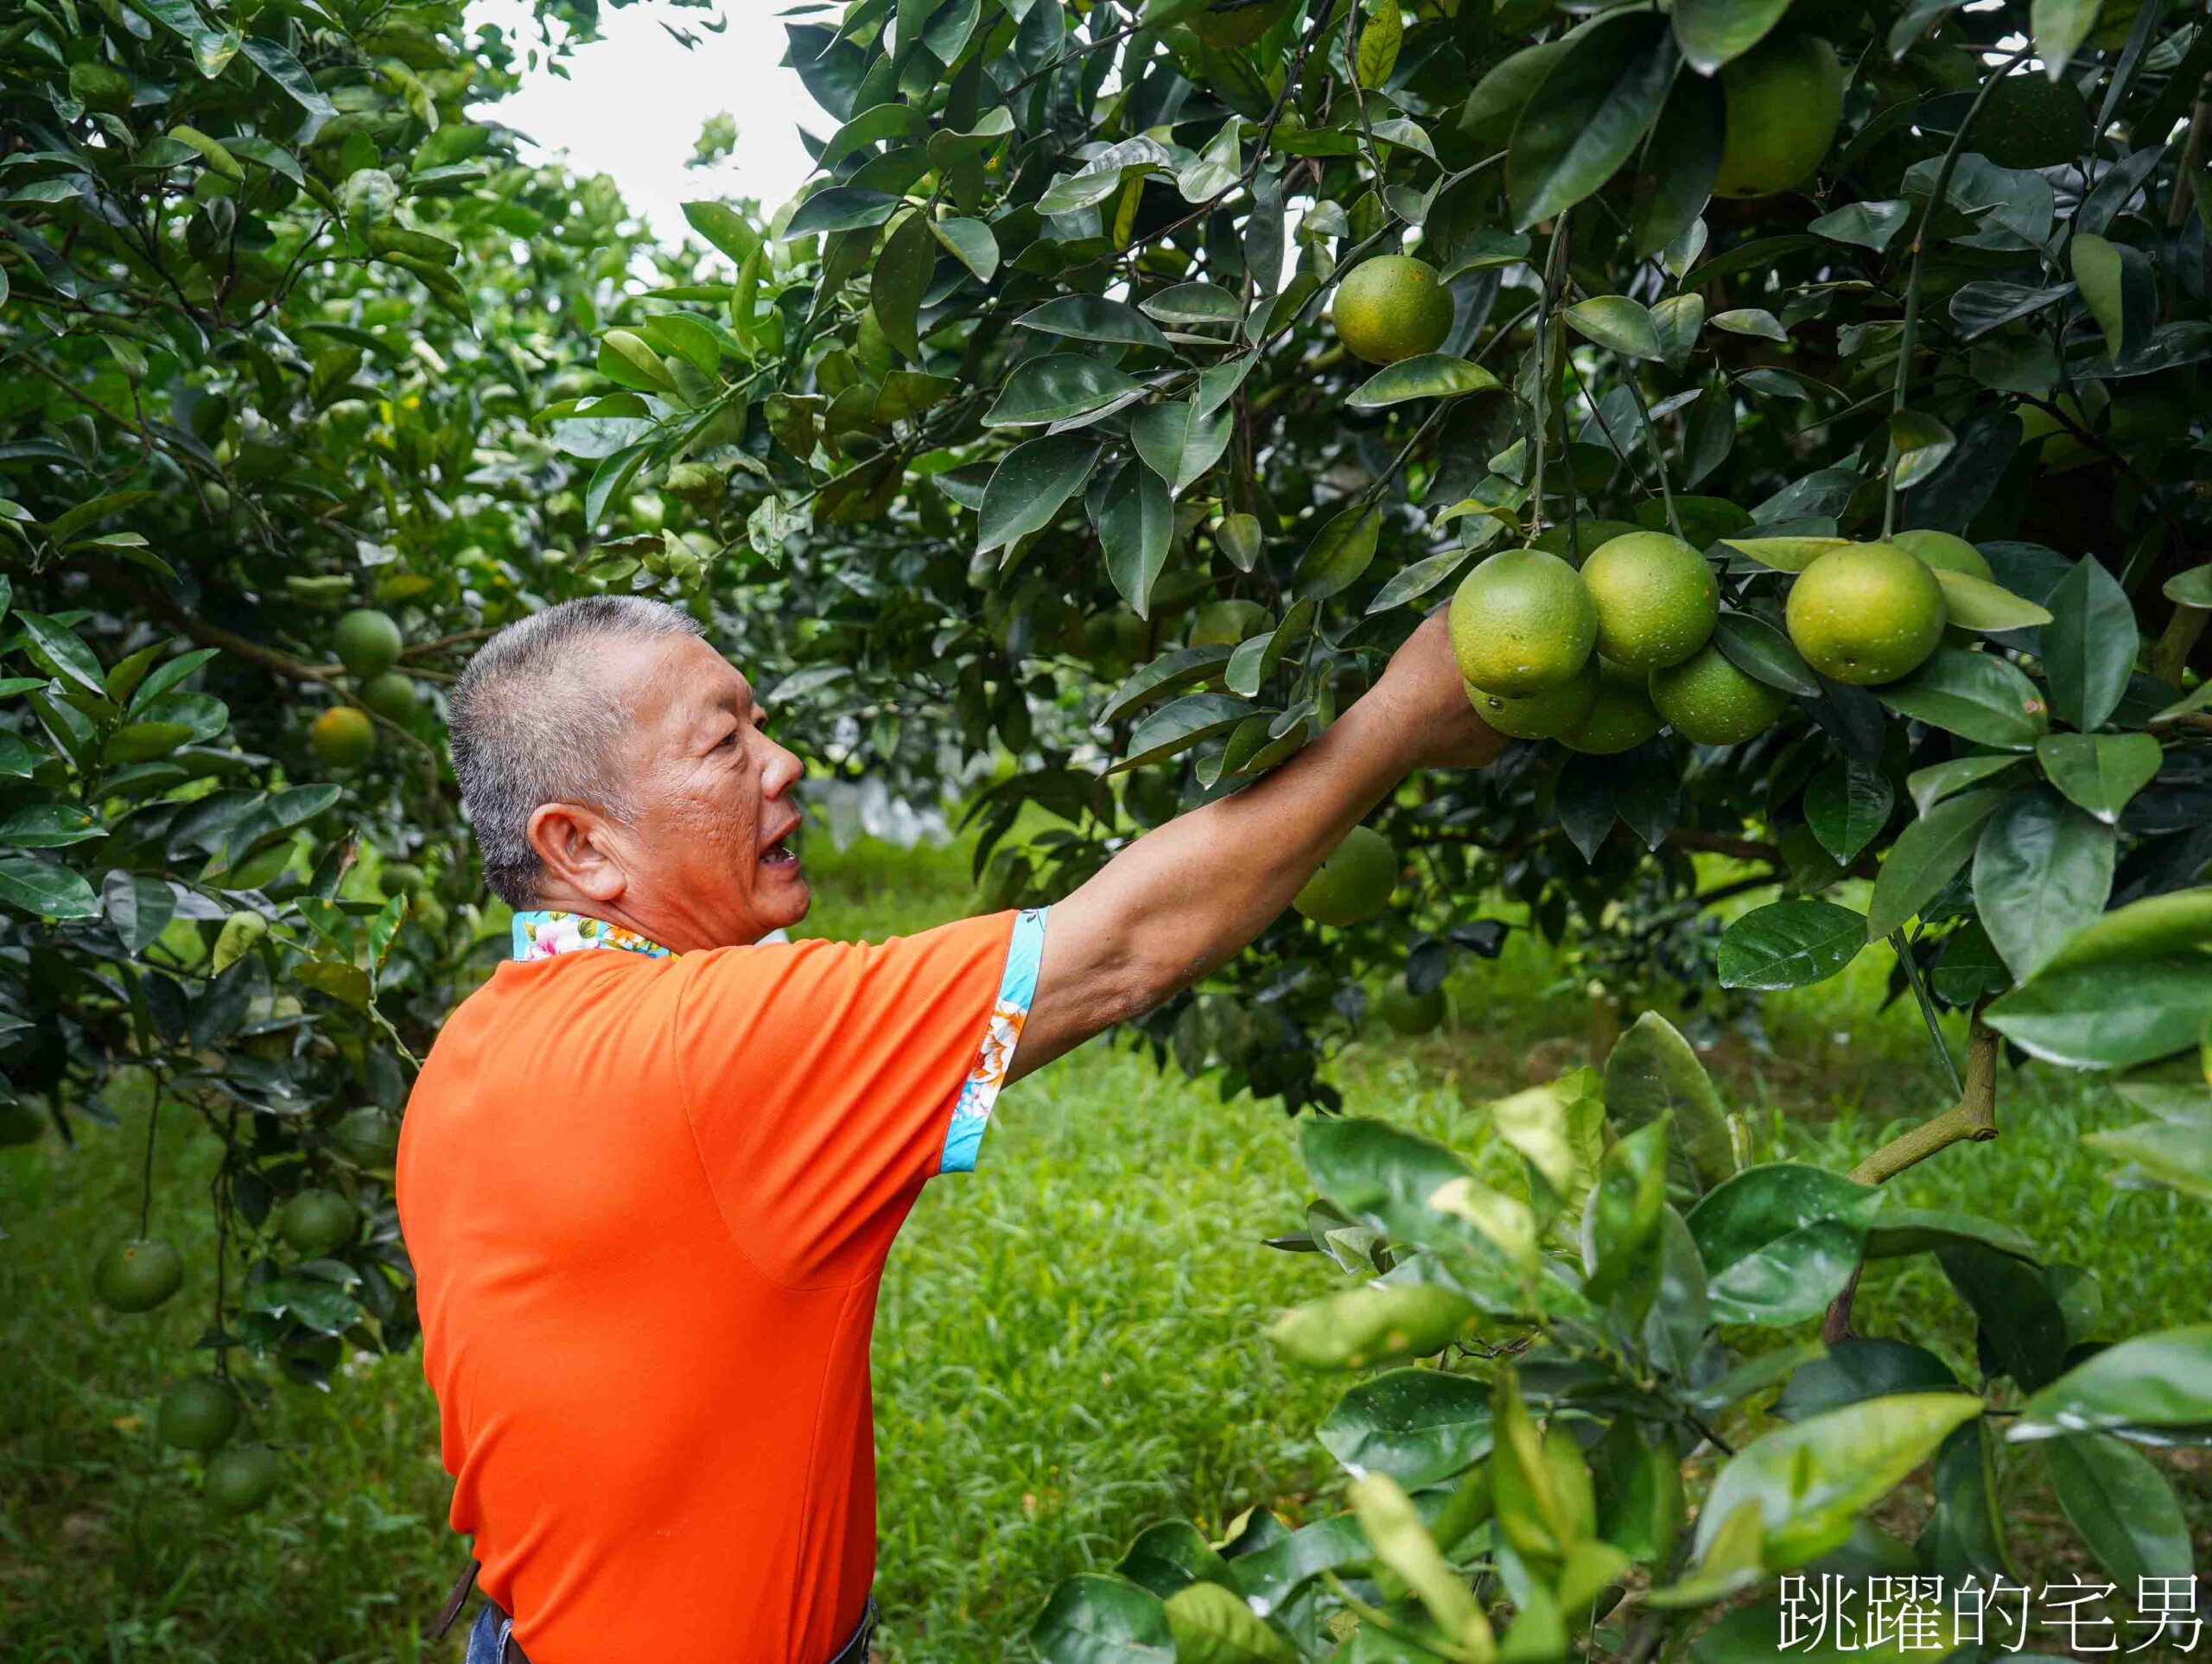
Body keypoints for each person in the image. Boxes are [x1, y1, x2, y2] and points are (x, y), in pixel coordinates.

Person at [396, 594, 1500, 1664]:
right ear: (580, 848)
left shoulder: (472, 1048)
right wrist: (1400, 715)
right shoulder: (704, 1054)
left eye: (760, 722)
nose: (781, 765)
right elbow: (1124, 949)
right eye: (723, 745)